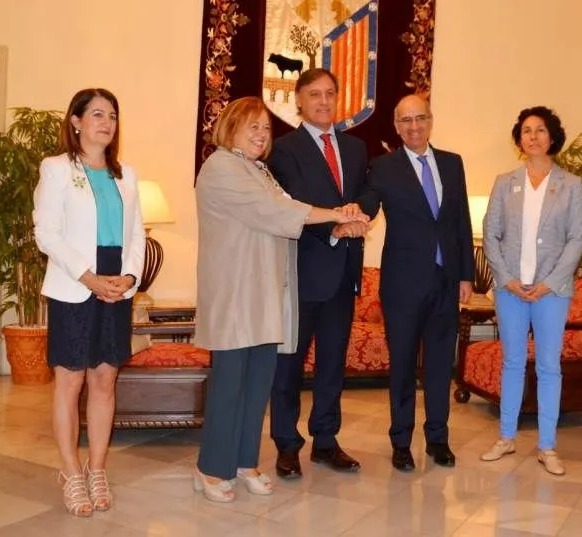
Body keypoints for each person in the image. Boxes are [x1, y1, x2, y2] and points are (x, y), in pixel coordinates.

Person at [193, 96, 369, 503]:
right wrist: (338, 214)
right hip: (235, 295)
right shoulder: (221, 166)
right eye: (252, 126)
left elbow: (285, 207)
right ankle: (211, 467)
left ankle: (244, 462)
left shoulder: (259, 170)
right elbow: (274, 211)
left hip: (264, 293)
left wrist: (334, 221)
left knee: (258, 385)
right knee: (230, 385)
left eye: (266, 127)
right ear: (230, 128)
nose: (262, 134)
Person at [33, 88, 146, 517]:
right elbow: (46, 233)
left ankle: (96, 468)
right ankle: (70, 472)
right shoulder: (57, 168)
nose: (107, 122)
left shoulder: (127, 174)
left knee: (104, 380)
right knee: (71, 382)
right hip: (75, 283)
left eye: (112, 115)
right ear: (76, 121)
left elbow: (137, 234)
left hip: (116, 282)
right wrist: (88, 277)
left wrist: (130, 277)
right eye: (97, 114)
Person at [359, 94, 474, 472]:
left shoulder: (452, 163)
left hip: (445, 282)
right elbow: (367, 205)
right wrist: (349, 215)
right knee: (404, 367)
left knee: (441, 366)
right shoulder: (383, 166)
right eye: (405, 120)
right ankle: (401, 441)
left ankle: (438, 439)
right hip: (403, 285)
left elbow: (460, 221)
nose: (414, 126)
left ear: (430, 120)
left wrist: (466, 275)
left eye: (420, 118)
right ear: (396, 126)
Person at [267, 68, 371, 479]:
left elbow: (367, 193)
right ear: (299, 100)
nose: (324, 101)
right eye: (314, 94)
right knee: (288, 366)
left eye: (330, 93)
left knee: (332, 364)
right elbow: (292, 203)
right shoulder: (283, 149)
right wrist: (334, 227)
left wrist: (360, 215)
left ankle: (326, 441)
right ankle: (287, 445)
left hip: (343, 273)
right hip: (302, 271)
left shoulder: (356, 147)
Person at [479, 107, 582, 475]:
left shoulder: (571, 185)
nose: (534, 136)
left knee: (548, 366)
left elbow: (576, 239)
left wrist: (549, 283)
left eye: (541, 130)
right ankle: (506, 437)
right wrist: (506, 277)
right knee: (512, 362)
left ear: (552, 137)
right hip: (510, 288)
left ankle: (547, 446)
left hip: (551, 292)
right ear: (519, 139)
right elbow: (490, 233)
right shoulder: (504, 182)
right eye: (527, 131)